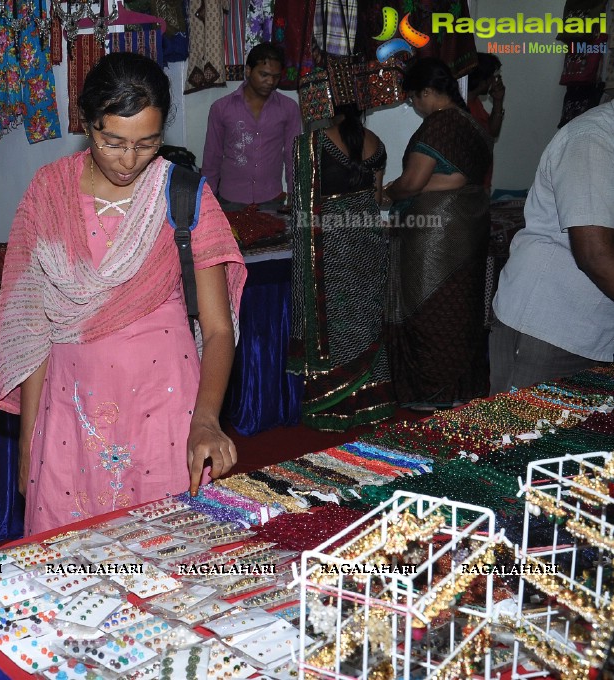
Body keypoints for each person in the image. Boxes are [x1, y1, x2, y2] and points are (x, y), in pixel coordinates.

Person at [0, 52, 247, 536]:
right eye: (114, 142)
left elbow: (218, 329)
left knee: (173, 559)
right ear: (87, 124)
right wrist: (29, 440)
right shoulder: (48, 192)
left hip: (166, 406)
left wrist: (206, 420)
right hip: (71, 410)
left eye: (146, 144)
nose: (129, 160)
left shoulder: (183, 194)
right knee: (74, 566)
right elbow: (32, 330)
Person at [382, 57, 493, 410]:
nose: (414, 106)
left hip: (436, 237)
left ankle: (429, 391)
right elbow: (458, 179)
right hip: (469, 231)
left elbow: (413, 182)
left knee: (427, 308)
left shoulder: (440, 123)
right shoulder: (471, 124)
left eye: (414, 98)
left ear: (428, 92)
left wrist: (387, 192)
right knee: (461, 310)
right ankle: (460, 389)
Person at [490, 101, 614, 393]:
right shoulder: (593, 138)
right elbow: (595, 254)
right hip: (552, 327)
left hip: (595, 327)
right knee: (522, 434)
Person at [288, 103, 394, 431]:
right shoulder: (377, 142)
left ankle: (332, 405)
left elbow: (301, 201)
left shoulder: (311, 144)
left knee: (334, 320)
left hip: (331, 244)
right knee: (364, 316)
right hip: (368, 242)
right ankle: (373, 401)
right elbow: (376, 199)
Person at [201, 42, 302, 213]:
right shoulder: (221, 108)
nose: (270, 81)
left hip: (271, 199)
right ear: (248, 71)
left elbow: (293, 155)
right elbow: (212, 157)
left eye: (276, 77)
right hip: (230, 200)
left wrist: (295, 194)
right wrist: (207, 202)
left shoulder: (289, 108)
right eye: (264, 74)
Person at [466, 52, 505, 191]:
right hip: (471, 185)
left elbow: (492, 132)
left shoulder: (475, 102)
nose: (495, 81)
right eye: (492, 77)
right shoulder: (464, 106)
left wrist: (498, 101)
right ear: (482, 80)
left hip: (482, 181)